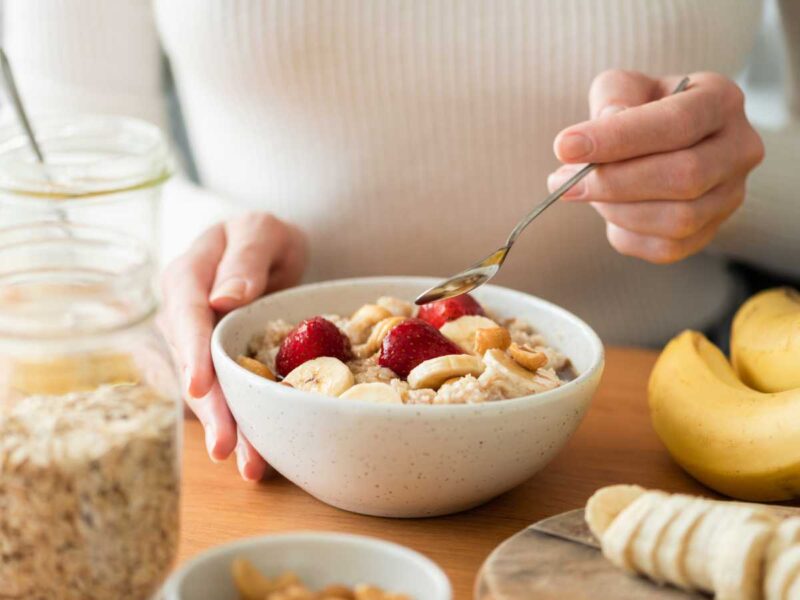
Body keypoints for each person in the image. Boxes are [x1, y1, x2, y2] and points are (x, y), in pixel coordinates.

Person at [4, 0, 798, 481]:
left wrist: (731, 180)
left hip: (662, 419)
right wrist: (198, 242)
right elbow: (51, 153)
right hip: (269, 434)